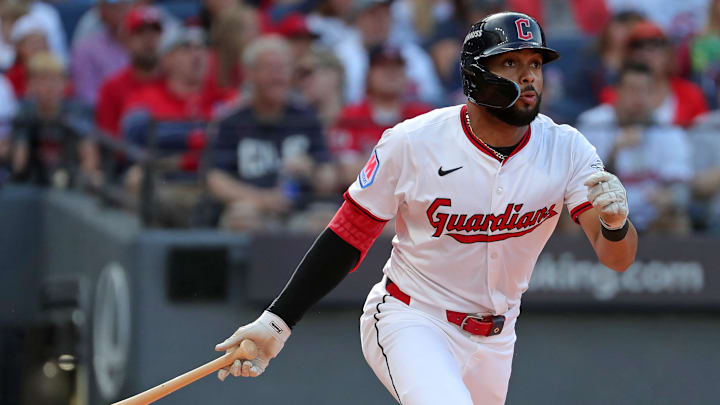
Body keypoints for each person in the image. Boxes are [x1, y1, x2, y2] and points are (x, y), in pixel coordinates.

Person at [213, 12, 638, 405]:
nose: (528, 78)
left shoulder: (566, 147)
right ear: (475, 75)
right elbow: (347, 236)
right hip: (413, 318)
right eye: (510, 64)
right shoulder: (414, 141)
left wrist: (616, 224)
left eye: (535, 64)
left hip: (497, 335)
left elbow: (616, 258)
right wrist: (277, 322)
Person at [207, 35, 336, 232]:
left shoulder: (306, 119)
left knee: (329, 222)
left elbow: (328, 177)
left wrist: (310, 169)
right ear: (250, 74)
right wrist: (263, 199)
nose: (279, 76)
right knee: (242, 216)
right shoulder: (231, 122)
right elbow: (215, 179)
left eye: (284, 68)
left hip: (301, 211)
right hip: (254, 208)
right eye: (270, 69)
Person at [578, 63, 693, 233]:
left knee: (677, 219)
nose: (639, 98)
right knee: (574, 213)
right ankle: (572, 258)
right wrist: (614, 153)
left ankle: (670, 260)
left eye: (645, 90)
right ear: (617, 91)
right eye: (632, 90)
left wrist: (668, 198)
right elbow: (580, 186)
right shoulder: (593, 124)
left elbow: (682, 188)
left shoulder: (668, 130)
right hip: (603, 212)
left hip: (652, 216)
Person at [329, 44, 431, 187]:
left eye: (397, 68)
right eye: (383, 67)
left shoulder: (423, 116)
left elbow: (435, 168)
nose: (391, 73)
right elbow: (349, 173)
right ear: (369, 75)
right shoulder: (350, 115)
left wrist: (375, 162)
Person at [10, 52, 100, 189]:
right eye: (41, 80)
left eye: (54, 80)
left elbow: (89, 158)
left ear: (65, 84)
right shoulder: (25, 112)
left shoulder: (77, 111)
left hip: (72, 181)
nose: (48, 87)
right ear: (29, 85)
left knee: (97, 180)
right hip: (32, 184)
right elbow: (19, 164)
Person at [599, 21, 708, 128]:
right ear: (628, 54)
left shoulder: (691, 95)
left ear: (668, 53)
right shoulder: (613, 95)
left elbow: (702, 137)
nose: (646, 53)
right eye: (638, 46)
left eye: (656, 45)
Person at [333, 0, 443, 105]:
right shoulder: (340, 55)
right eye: (372, 15)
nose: (380, 22)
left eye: (385, 15)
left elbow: (432, 97)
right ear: (358, 19)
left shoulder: (412, 54)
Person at [96, 4, 164, 137]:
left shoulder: (175, 82)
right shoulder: (112, 87)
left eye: (154, 32)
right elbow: (109, 142)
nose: (149, 39)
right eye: (140, 33)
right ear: (125, 40)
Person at [71, 0, 132, 106]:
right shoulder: (86, 48)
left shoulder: (144, 44)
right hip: (100, 113)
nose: (121, 11)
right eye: (113, 7)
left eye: (123, 5)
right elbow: (87, 96)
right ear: (101, 11)